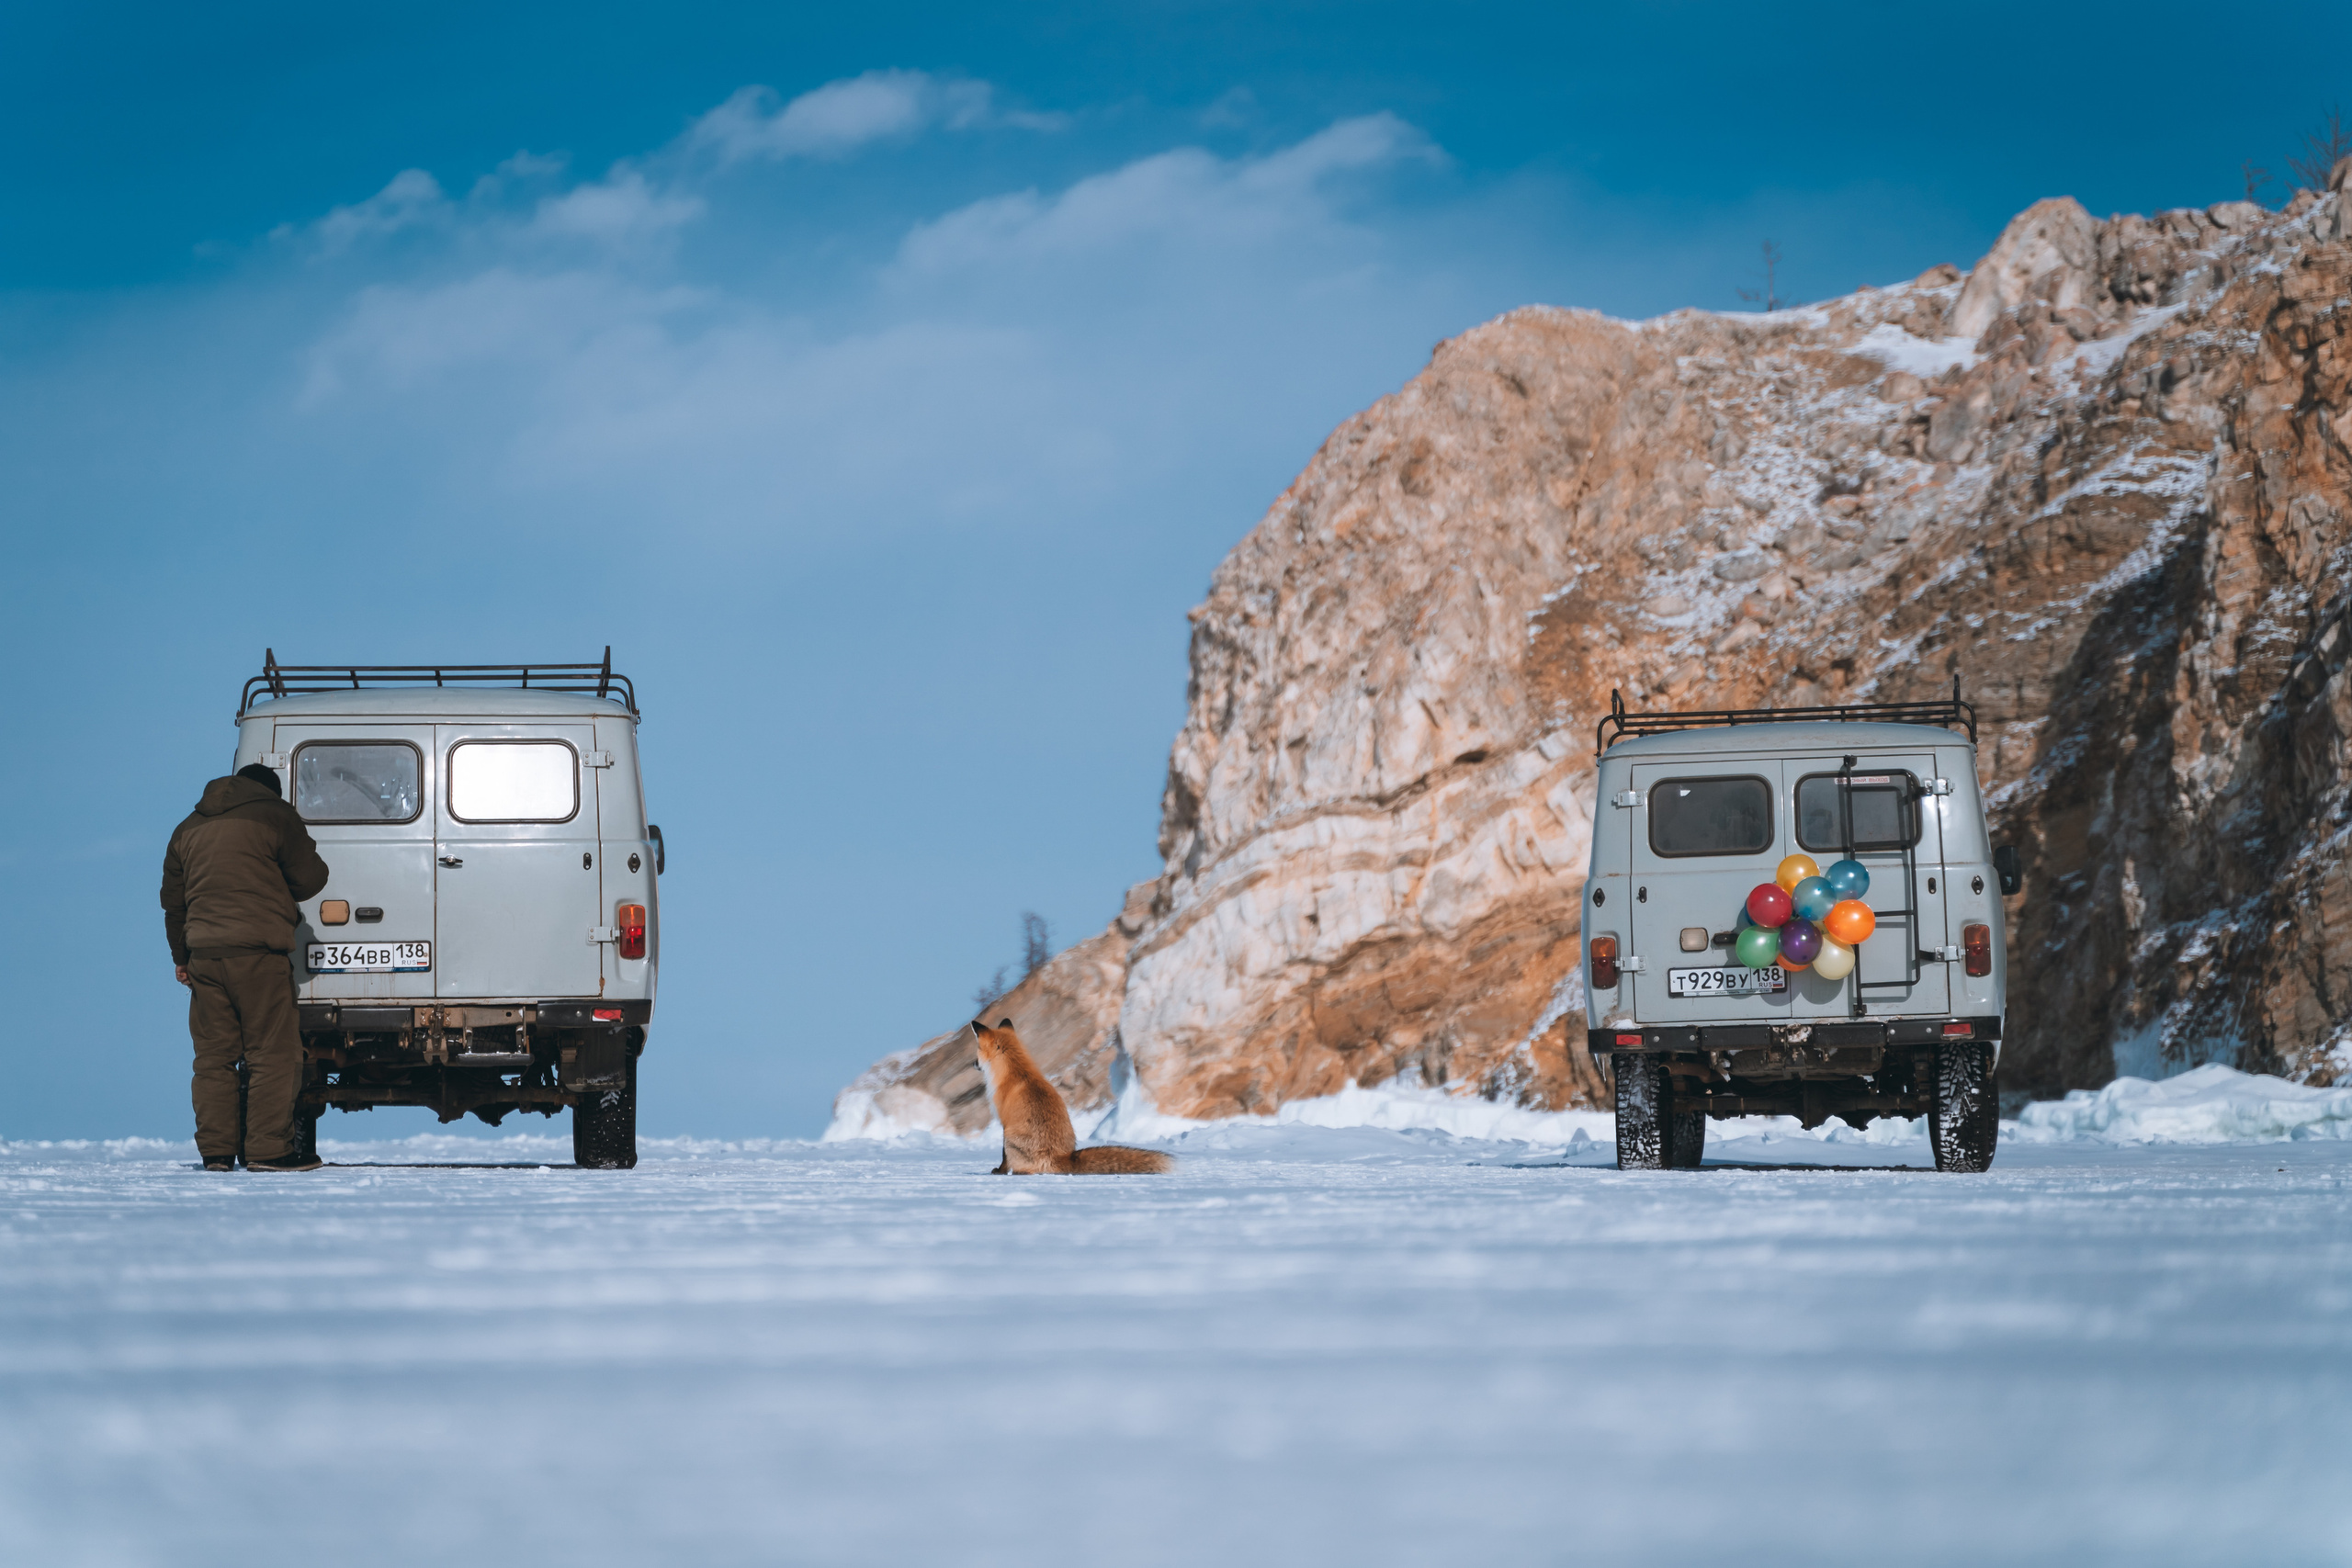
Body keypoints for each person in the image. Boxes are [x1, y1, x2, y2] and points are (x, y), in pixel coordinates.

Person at [161, 762, 331, 1171]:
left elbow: (174, 903)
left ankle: (217, 1153)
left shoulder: (187, 827)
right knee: (271, 1053)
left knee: (214, 1058)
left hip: (204, 956)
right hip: (258, 954)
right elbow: (311, 879)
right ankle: (269, 1152)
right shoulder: (275, 814)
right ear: (270, 791)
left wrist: (181, 959)